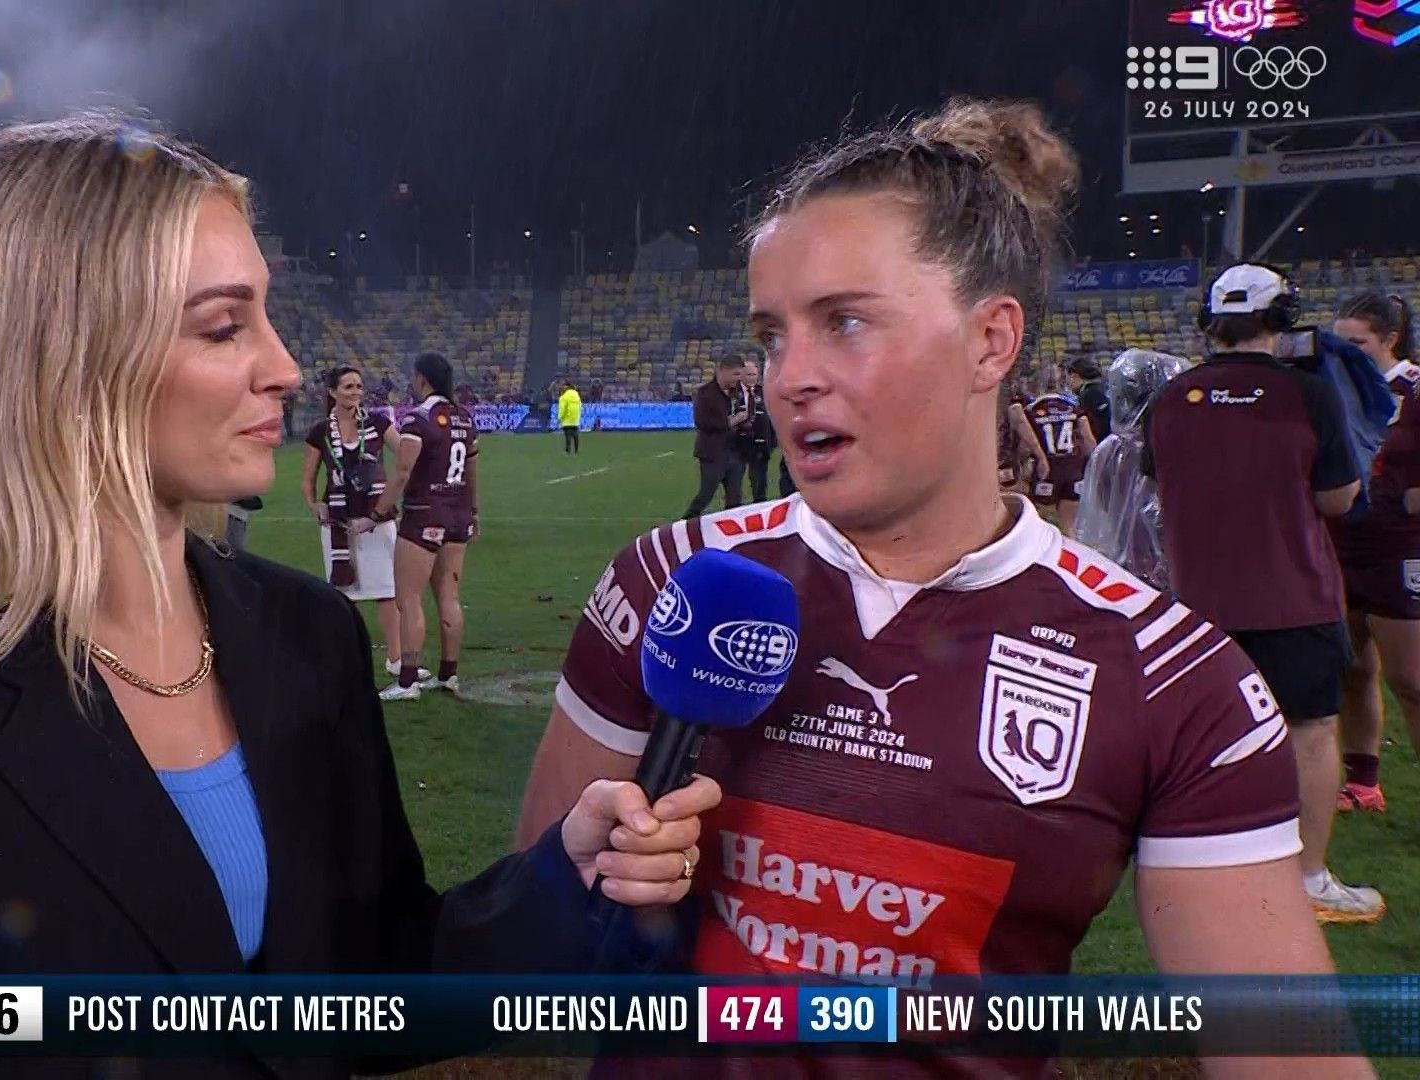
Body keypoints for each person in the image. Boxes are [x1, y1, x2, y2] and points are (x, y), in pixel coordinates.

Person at [0, 118, 718, 1051]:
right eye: (225, 327)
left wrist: (564, 875)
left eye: (266, 316)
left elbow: (371, 982)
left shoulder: (308, 636)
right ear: (68, 357)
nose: (285, 366)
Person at [517, 98, 1360, 1078]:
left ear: (991, 341)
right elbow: (528, 946)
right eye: (772, 335)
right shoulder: (670, 583)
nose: (788, 378)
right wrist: (608, 893)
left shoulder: (1173, 678)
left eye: (844, 322)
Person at [1143, 262, 1380, 924]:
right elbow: (1338, 498)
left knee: (1207, 741)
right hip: (1291, 595)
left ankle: (1206, 876)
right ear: (1282, 319)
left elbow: (1159, 486)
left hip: (1198, 603)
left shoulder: (1172, 397)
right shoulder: (1308, 395)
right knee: (1310, 730)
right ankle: (1308, 879)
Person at [1329, 291, 1418, 815]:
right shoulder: (1330, 390)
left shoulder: (1416, 390)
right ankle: (1363, 781)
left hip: (1401, 549)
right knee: (1352, 668)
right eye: (1338, 342)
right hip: (1339, 545)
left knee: (1410, 680)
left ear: (1390, 339)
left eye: (1357, 342)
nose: (1345, 352)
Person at [374, 352, 476, 702]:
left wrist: (380, 509)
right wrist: (472, 510)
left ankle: (407, 682)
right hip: (458, 515)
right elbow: (471, 471)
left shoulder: (417, 418)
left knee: (409, 598)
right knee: (449, 596)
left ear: (421, 378)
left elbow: (403, 471)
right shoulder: (464, 417)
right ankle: (448, 674)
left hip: (424, 514)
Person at [301, 364, 414, 679]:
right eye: (348, 387)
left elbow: (406, 456)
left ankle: (395, 659)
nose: (355, 392)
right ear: (332, 392)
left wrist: (391, 497)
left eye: (359, 386)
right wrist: (314, 505)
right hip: (339, 523)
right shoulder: (320, 431)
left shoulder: (378, 423)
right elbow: (307, 480)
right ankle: (346, 662)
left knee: (387, 591)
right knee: (343, 595)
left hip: (377, 519)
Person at [1071, 348, 1185, 591]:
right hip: (1174, 571)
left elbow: (1101, 511)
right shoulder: (1174, 446)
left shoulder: (1109, 450)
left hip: (1126, 570)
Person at [1017, 373, 1094, 534]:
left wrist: (1025, 467)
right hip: (1073, 467)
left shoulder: (1031, 409)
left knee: (1044, 522)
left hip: (1047, 467)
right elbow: (1087, 438)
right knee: (1070, 525)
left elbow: (1024, 446)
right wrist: (1092, 465)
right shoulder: (1073, 406)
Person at [681, 359, 747, 518]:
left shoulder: (737, 392)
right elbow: (702, 422)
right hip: (712, 453)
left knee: (735, 498)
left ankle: (731, 529)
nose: (738, 378)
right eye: (735, 374)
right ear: (722, 371)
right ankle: (685, 523)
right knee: (706, 494)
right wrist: (731, 422)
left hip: (735, 453)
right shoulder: (705, 393)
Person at [733, 355, 777, 501]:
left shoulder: (764, 392)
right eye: (748, 374)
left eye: (754, 374)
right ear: (740, 375)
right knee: (733, 483)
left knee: (759, 483)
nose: (752, 378)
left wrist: (771, 442)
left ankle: (759, 505)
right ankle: (734, 508)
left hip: (760, 444)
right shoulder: (731, 393)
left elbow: (773, 418)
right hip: (736, 445)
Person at [1069, 355, 1111, 442]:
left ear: (1075, 376)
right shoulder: (1102, 388)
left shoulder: (1089, 394)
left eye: (1070, 377)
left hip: (1100, 443)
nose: (1069, 382)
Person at [557, 378, 583, 454]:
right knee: (575, 434)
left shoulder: (563, 397)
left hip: (567, 419)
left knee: (568, 435)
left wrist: (559, 418)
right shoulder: (576, 395)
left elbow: (562, 409)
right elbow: (580, 405)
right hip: (575, 418)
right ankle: (576, 450)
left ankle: (568, 450)